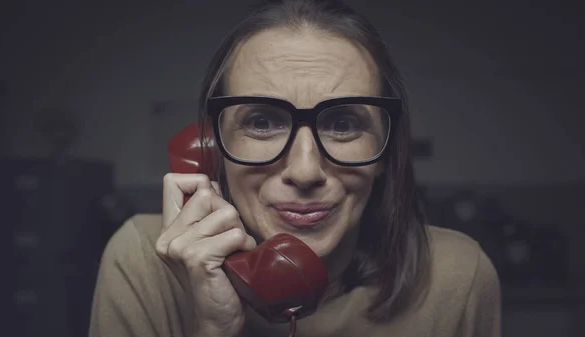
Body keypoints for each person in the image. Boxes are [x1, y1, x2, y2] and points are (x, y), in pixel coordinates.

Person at [89, 0, 501, 336]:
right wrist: (213, 329)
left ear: (385, 152)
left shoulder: (455, 278)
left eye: (343, 124)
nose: (305, 172)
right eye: (262, 122)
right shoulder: (143, 261)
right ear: (214, 150)